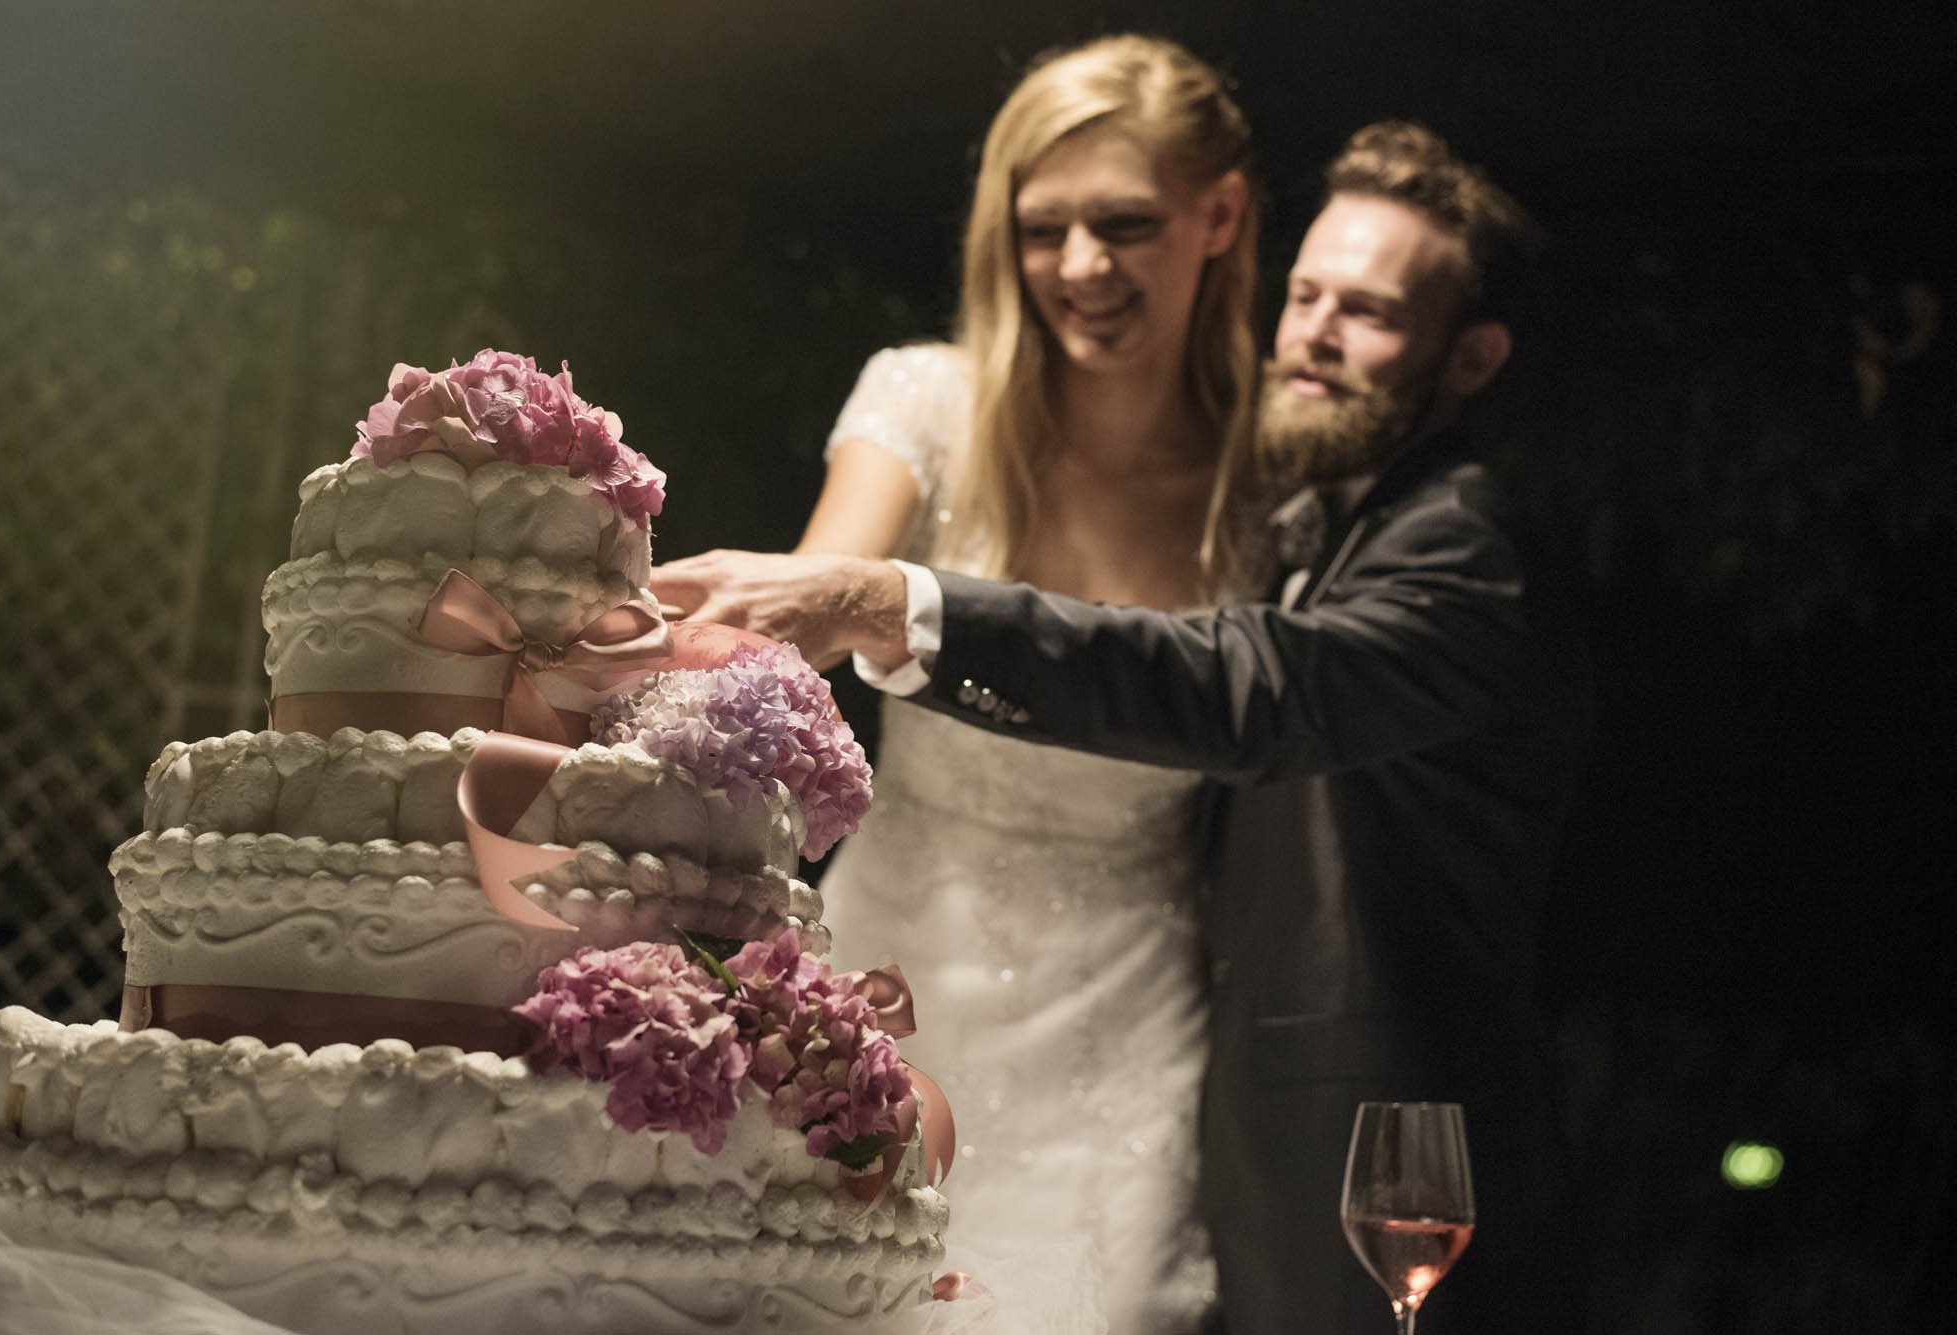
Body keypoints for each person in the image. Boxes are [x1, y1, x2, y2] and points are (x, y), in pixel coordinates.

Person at [655, 121, 1591, 1334]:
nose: (1310, 334)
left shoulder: (1465, 550)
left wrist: (902, 602)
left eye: (1365, 311)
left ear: (1469, 359)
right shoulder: (1294, 500)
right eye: (1303, 294)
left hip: (1377, 1155)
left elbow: (1248, 686)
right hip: (1027, 1015)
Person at [754, 33, 1260, 1335]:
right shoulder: (925, 398)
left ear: (1222, 217)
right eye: (1045, 230)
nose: (1081, 267)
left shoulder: (1271, 486)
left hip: (1129, 1020)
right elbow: (811, 597)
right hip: (890, 974)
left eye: (1126, 224)